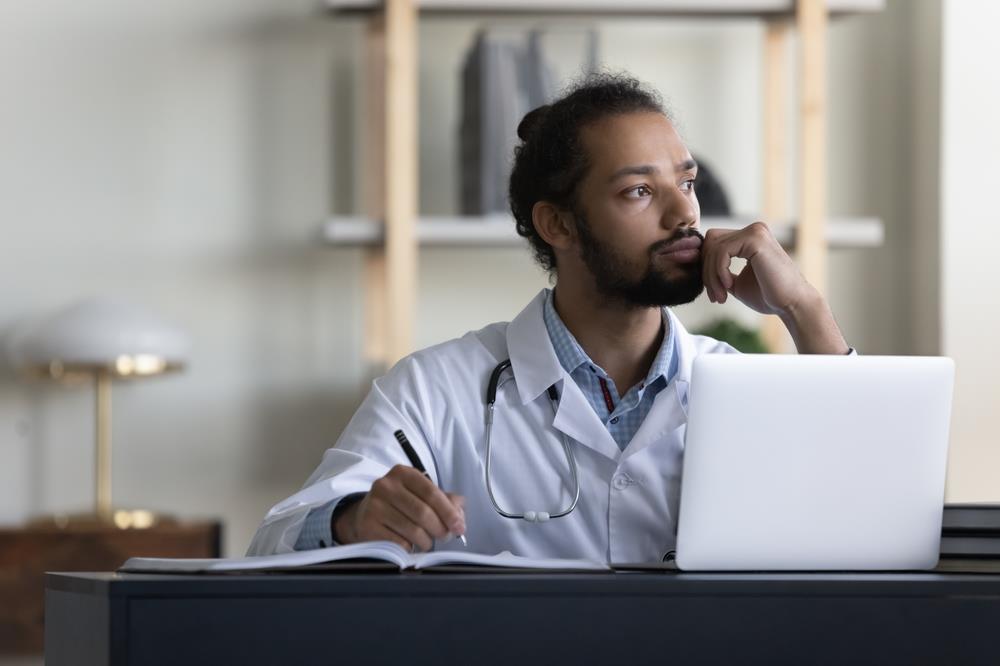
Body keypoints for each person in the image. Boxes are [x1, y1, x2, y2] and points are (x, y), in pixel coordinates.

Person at [247, 73, 851, 563]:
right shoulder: (436, 390)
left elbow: (860, 517)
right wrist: (354, 520)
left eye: (686, 182)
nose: (683, 214)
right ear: (557, 224)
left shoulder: (739, 385)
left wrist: (805, 308)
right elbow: (274, 540)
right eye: (639, 191)